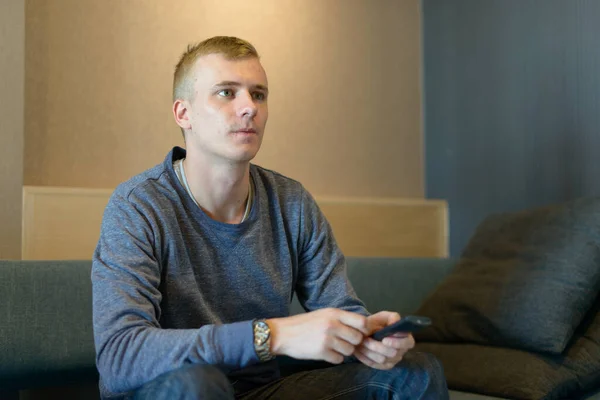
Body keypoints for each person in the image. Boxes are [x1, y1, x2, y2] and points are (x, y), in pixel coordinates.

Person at [91, 36, 449, 400]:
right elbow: (120, 356)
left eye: (258, 94)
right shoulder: (138, 206)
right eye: (227, 93)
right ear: (184, 113)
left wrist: (366, 338)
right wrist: (272, 335)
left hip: (261, 391)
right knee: (198, 385)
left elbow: (339, 309)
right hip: (173, 391)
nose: (249, 108)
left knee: (417, 373)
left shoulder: (291, 202)